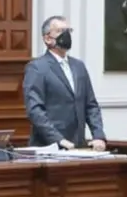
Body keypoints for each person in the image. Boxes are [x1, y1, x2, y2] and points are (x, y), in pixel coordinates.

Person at [24, 16, 106, 150]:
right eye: (61, 31)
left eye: (69, 30)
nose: (66, 35)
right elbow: (35, 110)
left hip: (78, 145)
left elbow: (91, 105)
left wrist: (98, 136)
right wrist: (58, 139)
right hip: (49, 147)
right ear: (47, 38)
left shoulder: (78, 66)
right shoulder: (37, 67)